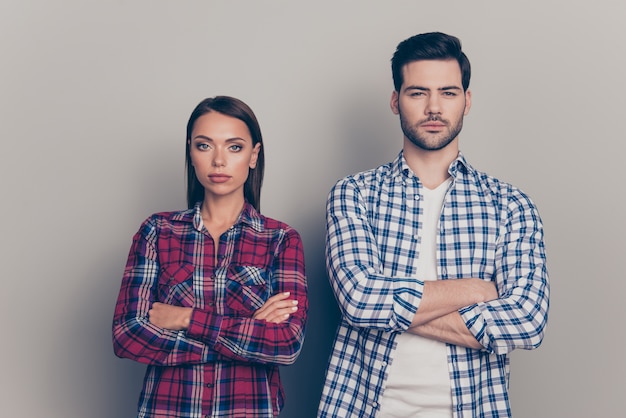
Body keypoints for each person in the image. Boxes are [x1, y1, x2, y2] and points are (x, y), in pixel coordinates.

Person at [317, 32, 549, 417]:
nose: (434, 107)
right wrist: (475, 290)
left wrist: (389, 309)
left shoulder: (511, 205)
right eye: (417, 93)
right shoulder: (354, 194)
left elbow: (527, 320)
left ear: (467, 101)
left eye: (448, 92)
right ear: (395, 101)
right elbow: (358, 299)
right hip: (364, 408)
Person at [112, 96, 308, 418]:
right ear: (191, 153)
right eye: (205, 146)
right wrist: (246, 334)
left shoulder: (280, 240)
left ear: (253, 155)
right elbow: (127, 335)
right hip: (168, 410)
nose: (219, 161)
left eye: (234, 147)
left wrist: (186, 319)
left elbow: (286, 344)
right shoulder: (158, 231)